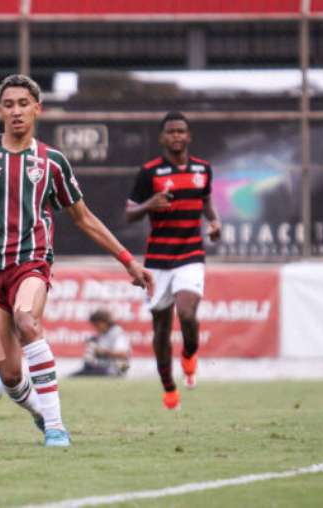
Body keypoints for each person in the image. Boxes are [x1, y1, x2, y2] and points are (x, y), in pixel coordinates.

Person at [0, 74, 154, 447]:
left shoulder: (52, 162)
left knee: (27, 319)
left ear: (38, 108)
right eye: (9, 104)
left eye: (23, 103)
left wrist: (128, 260)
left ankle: (55, 426)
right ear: (0, 110)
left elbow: (84, 218)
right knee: (11, 374)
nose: (16, 111)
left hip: (30, 262)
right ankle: (38, 410)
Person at [125, 111, 221, 411]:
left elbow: (205, 201)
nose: (176, 136)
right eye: (171, 132)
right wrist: (149, 205)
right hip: (157, 260)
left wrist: (215, 222)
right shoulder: (149, 172)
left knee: (188, 313)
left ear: (188, 136)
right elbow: (129, 213)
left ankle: (190, 355)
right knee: (161, 329)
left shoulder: (203, 169)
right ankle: (168, 387)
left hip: (191, 254)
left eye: (181, 131)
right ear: (162, 137)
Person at [72, 309, 131, 377]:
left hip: (120, 369)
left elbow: (123, 354)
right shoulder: (103, 334)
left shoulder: (118, 333)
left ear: (104, 322)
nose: (96, 328)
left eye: (97, 325)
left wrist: (102, 351)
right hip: (106, 367)